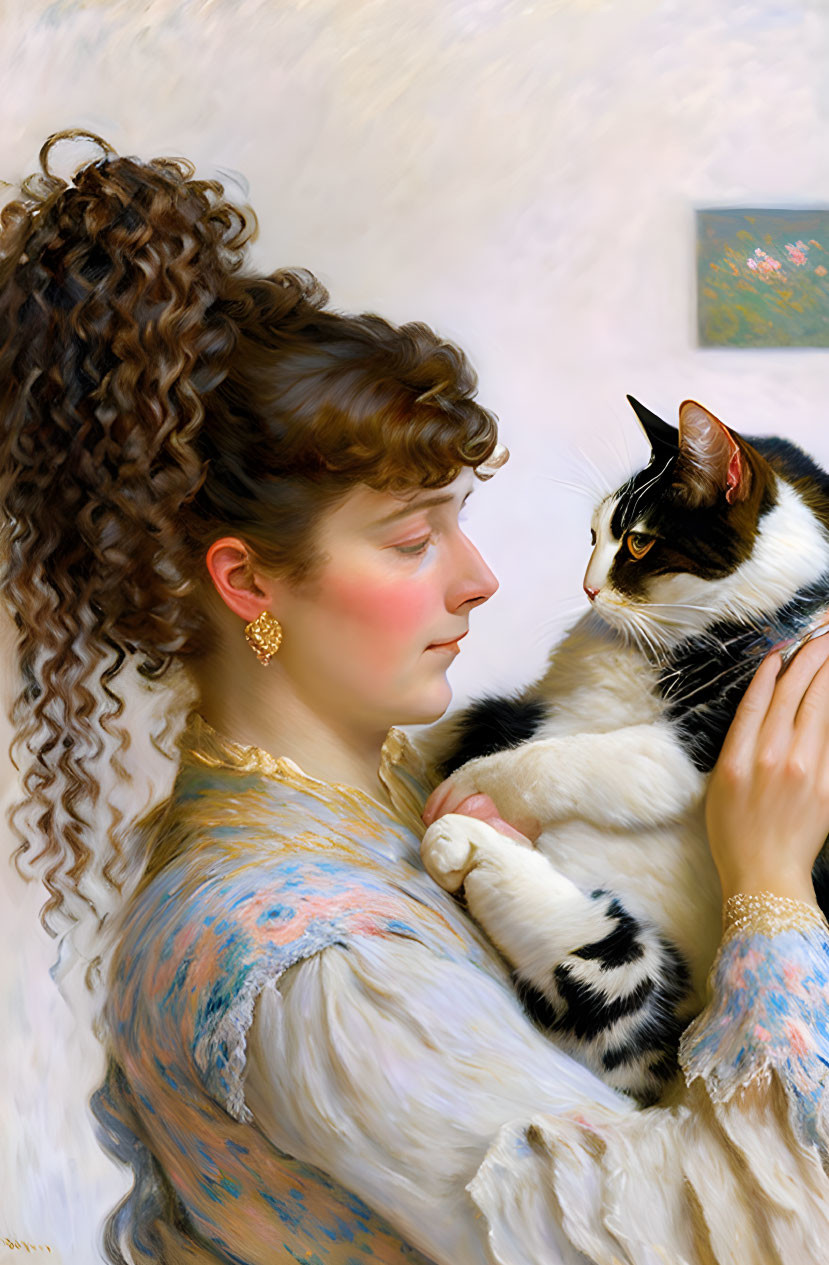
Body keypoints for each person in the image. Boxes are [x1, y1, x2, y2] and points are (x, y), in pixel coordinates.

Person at [2, 130, 828, 1265]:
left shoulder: (389, 779)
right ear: (245, 580)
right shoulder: (317, 966)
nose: (478, 578)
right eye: (408, 538)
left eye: (458, 520)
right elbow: (708, 1241)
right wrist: (772, 891)